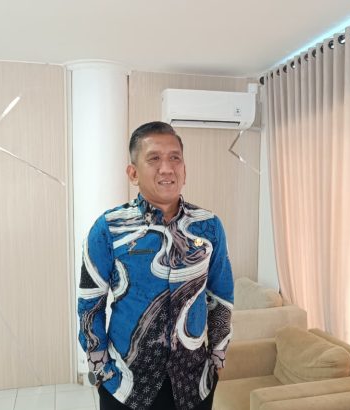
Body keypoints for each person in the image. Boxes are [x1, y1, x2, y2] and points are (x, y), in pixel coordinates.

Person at [78, 121, 234, 410]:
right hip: (126, 387)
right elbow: (90, 305)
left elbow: (221, 296)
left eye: (175, 158)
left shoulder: (209, 227)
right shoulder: (108, 229)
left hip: (194, 385)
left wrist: (218, 357)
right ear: (133, 173)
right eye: (154, 158)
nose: (167, 168)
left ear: (184, 170)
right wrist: (100, 369)